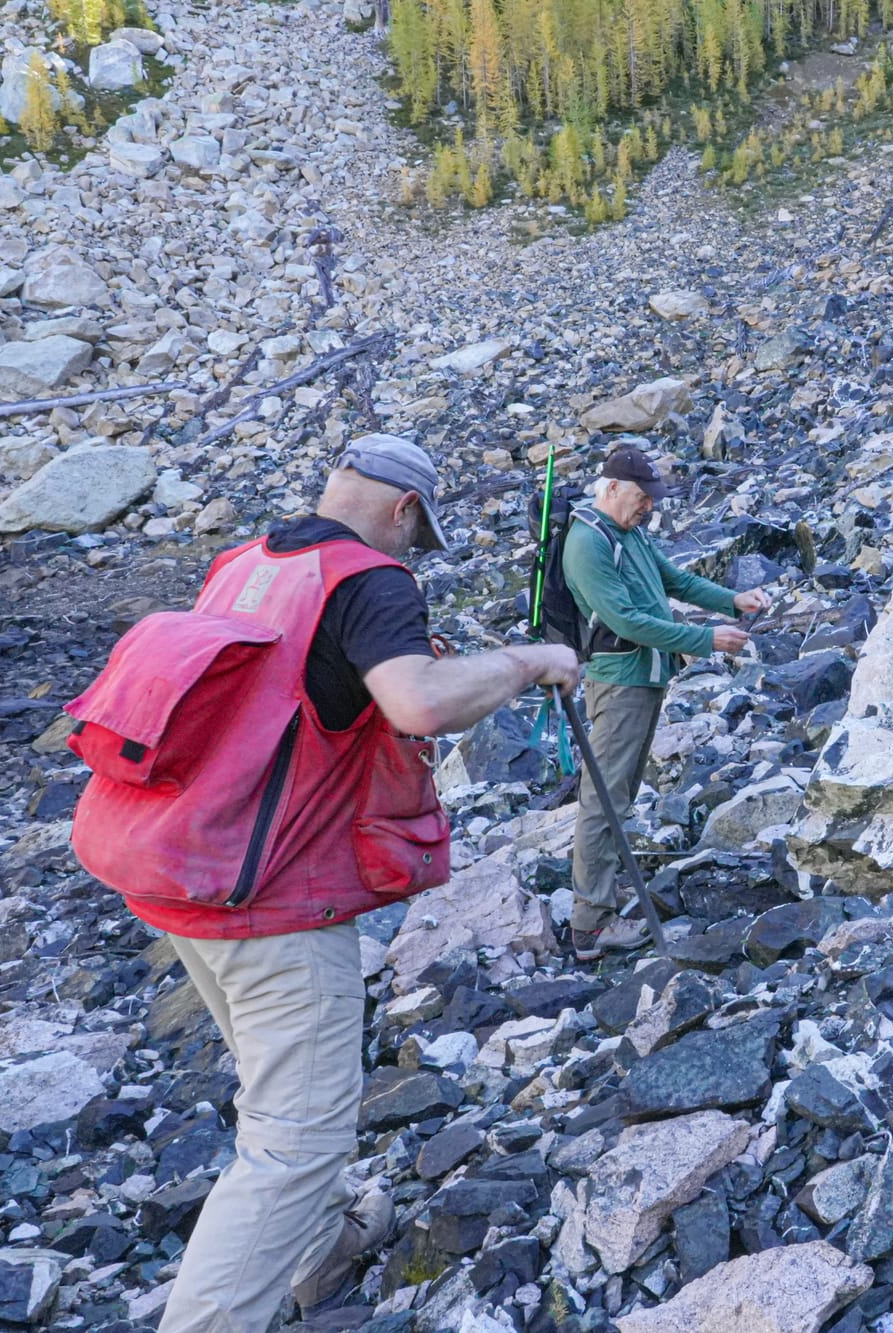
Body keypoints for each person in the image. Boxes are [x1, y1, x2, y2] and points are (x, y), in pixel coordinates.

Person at [78, 434, 579, 1332]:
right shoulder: (372, 581)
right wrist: (526, 661)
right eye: (419, 538)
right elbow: (418, 703)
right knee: (296, 1139)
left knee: (275, 1096)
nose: (412, 556)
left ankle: (320, 1250)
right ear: (404, 510)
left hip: (185, 876)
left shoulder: (246, 563)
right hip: (275, 905)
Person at [561, 444, 768, 962]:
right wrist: (705, 639)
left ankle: (604, 894)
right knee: (603, 799)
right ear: (610, 488)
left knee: (621, 793)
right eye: (640, 496)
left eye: (651, 497)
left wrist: (730, 600)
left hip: (646, 677)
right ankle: (588, 925)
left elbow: (674, 580)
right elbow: (624, 620)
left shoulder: (626, 534)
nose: (648, 505)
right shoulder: (587, 543)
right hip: (620, 682)